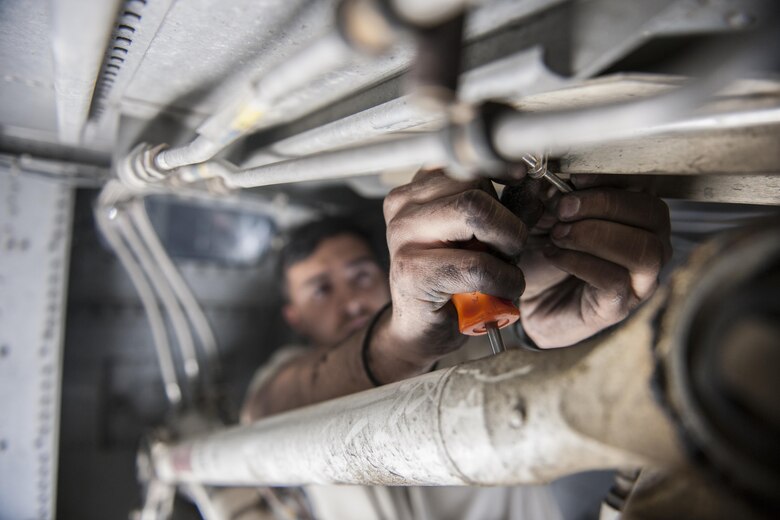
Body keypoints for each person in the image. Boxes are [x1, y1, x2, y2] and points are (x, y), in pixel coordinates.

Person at [239, 169, 671, 519]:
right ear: (293, 317)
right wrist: (400, 345)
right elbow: (265, 415)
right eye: (321, 289)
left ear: (386, 272)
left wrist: (537, 312)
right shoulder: (289, 374)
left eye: (361, 276)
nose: (350, 299)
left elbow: (523, 347)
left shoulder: (464, 330)